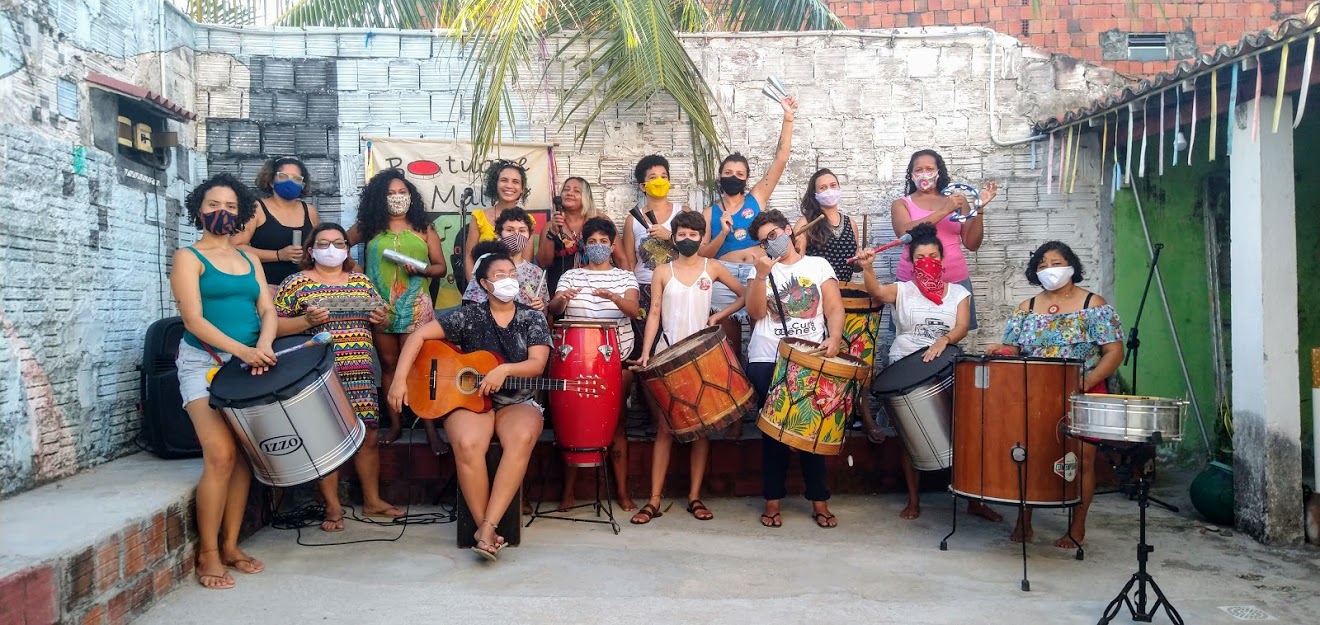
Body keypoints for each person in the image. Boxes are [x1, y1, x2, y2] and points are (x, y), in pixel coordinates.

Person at [388, 248, 551, 561]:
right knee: (467, 443)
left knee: (521, 438)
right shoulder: (469, 315)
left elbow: (537, 364)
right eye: (499, 275)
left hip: (516, 400)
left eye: (512, 274)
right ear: (485, 284)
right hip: (470, 399)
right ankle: (483, 529)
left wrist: (504, 370)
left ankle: (488, 525)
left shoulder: (532, 317)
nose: (508, 280)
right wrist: (399, 380)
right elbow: (418, 336)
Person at [169, 173, 275, 589]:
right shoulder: (188, 257)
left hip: (247, 365)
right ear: (199, 210)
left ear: (241, 213)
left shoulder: (249, 259)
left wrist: (262, 345)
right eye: (214, 205)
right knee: (220, 455)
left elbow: (267, 310)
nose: (222, 213)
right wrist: (243, 351)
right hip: (204, 363)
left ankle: (231, 546)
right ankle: (208, 553)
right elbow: (193, 319)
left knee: (244, 457)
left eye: (231, 207)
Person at [855, 223, 999, 523]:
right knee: (912, 434)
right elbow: (876, 292)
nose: (927, 261)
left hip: (944, 364)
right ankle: (913, 499)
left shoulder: (959, 292)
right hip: (906, 365)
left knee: (965, 432)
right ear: (911, 261)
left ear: (943, 259)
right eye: (920, 257)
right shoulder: (903, 290)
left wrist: (944, 340)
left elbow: (961, 326)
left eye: (933, 256)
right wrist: (868, 268)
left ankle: (974, 500)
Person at [987, 241, 1124, 548]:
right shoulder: (1026, 309)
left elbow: (1114, 352)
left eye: (1056, 263)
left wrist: (1087, 381)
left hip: (1085, 391)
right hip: (1036, 393)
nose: (1049, 269)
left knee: (1083, 461)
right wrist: (1001, 350)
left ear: (1071, 265)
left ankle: (1077, 526)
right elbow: (1013, 349)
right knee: (1028, 455)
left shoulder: (1093, 305)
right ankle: (1024, 521)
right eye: (1042, 265)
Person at [274, 223, 405, 532]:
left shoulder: (361, 282)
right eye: (323, 243)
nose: (331, 248)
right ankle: (332, 506)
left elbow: (382, 319)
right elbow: (274, 328)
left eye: (338, 243)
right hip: (317, 373)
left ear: (347, 249)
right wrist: (306, 320)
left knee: (368, 434)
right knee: (325, 439)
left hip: (359, 370)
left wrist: (381, 318)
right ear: (311, 250)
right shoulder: (295, 284)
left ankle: (372, 500)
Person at [630, 211, 746, 524]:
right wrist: (646, 353)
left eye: (694, 235)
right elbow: (654, 314)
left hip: (702, 355)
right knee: (665, 428)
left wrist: (718, 316)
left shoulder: (713, 267)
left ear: (701, 237)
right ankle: (654, 500)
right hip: (668, 354)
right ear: (674, 236)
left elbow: (744, 295)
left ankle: (695, 497)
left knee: (701, 428)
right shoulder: (662, 271)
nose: (687, 239)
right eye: (682, 234)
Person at [701, 96, 799, 423]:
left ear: (746, 178)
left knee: (763, 340)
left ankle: (768, 406)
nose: (734, 176)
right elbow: (703, 254)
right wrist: (722, 232)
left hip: (759, 273)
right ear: (720, 176)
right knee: (729, 346)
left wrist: (788, 117)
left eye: (740, 173)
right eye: (728, 172)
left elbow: (781, 159)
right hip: (725, 278)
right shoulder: (710, 212)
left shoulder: (756, 198)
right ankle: (734, 415)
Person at [744, 209, 843, 529]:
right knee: (774, 431)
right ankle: (772, 500)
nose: (770, 243)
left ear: (788, 230)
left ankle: (819, 499)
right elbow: (755, 313)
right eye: (764, 241)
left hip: (809, 358)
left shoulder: (818, 265)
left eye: (773, 235)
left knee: (809, 428)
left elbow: (833, 307)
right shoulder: (759, 270)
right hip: (767, 358)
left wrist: (835, 337)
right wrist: (761, 275)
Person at [347, 169, 447, 445]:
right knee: (389, 366)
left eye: (402, 192)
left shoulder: (424, 228)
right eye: (390, 193)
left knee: (418, 367)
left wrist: (422, 269)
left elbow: (441, 267)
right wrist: (355, 269)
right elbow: (337, 243)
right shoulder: (369, 227)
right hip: (380, 307)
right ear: (380, 197)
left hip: (416, 306)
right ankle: (395, 426)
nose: (397, 197)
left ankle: (429, 429)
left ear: (411, 196)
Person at [549, 217, 641, 512]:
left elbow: (633, 310)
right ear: (584, 246)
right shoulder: (571, 276)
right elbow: (554, 309)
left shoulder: (625, 278)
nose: (598, 246)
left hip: (617, 357)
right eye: (592, 242)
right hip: (576, 361)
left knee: (617, 424)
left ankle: (622, 492)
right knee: (573, 421)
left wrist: (614, 297)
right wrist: (561, 299)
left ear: (613, 247)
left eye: (603, 242)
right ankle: (568, 492)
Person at [890, 149, 998, 330]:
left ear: (938, 172)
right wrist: (944, 210)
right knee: (910, 333)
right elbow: (904, 233)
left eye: (929, 169)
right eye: (918, 170)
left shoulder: (958, 201)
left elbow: (972, 244)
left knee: (954, 334)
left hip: (954, 279)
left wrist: (979, 209)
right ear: (911, 174)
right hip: (913, 281)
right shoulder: (901, 203)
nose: (924, 174)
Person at [622, 154, 684, 360]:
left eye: (664, 177)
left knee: (677, 345)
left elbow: (695, 251)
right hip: (644, 288)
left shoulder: (682, 213)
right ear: (643, 186)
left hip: (675, 286)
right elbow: (629, 262)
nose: (659, 181)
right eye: (653, 178)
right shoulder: (633, 220)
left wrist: (670, 237)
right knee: (644, 347)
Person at [232, 157, 320, 294]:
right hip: (265, 288)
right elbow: (235, 247)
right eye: (283, 176)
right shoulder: (256, 209)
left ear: (303, 184)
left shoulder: (310, 211)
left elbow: (319, 246)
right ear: (271, 181)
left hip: (304, 289)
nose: (290, 182)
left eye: (297, 178)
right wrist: (278, 255)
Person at [537, 177, 624, 293]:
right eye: (566, 190)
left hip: (598, 290)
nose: (569, 193)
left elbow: (620, 258)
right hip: (562, 292)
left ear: (586, 197)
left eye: (576, 191)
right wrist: (552, 233)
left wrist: (630, 289)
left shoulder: (601, 221)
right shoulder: (551, 226)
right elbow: (543, 263)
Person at [464, 160, 537, 287]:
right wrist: (478, 288)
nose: (509, 185)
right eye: (504, 180)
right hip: (483, 288)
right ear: (495, 184)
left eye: (515, 182)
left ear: (522, 188)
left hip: (514, 289)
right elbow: (469, 257)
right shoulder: (479, 217)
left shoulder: (528, 221)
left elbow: (526, 262)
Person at [462, 208, 549, 311]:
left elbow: (545, 311)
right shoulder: (485, 268)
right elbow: (473, 308)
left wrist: (540, 307)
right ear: (499, 234)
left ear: (529, 236)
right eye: (510, 230)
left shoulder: (536, 272)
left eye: (522, 230)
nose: (516, 235)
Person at [794, 168, 863, 282]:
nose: (829, 191)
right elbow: (796, 262)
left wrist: (863, 261)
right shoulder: (806, 223)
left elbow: (855, 266)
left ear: (839, 187)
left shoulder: (851, 223)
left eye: (833, 185)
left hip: (844, 288)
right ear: (814, 194)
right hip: (816, 288)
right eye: (823, 188)